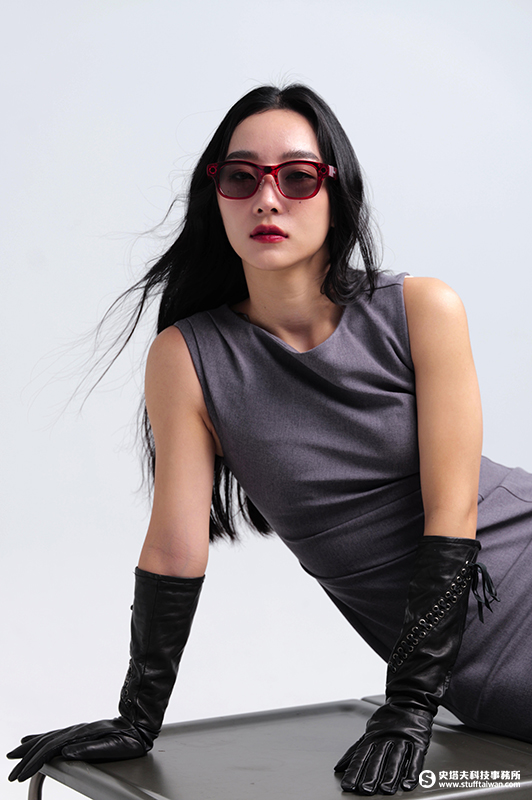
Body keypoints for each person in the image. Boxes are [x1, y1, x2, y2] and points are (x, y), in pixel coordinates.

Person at [6, 83, 528, 796]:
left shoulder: (420, 309)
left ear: (336, 192)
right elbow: (174, 548)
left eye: (298, 177)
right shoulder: (188, 358)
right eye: (241, 177)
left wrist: (409, 702)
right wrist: (137, 716)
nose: (267, 199)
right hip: (474, 674)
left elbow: (452, 512)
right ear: (215, 195)